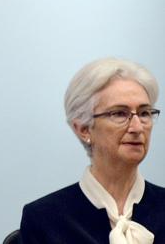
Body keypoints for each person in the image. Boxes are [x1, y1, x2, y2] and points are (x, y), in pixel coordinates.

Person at [20, 58, 164, 243]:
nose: (137, 127)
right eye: (119, 113)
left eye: (144, 113)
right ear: (83, 129)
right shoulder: (44, 219)